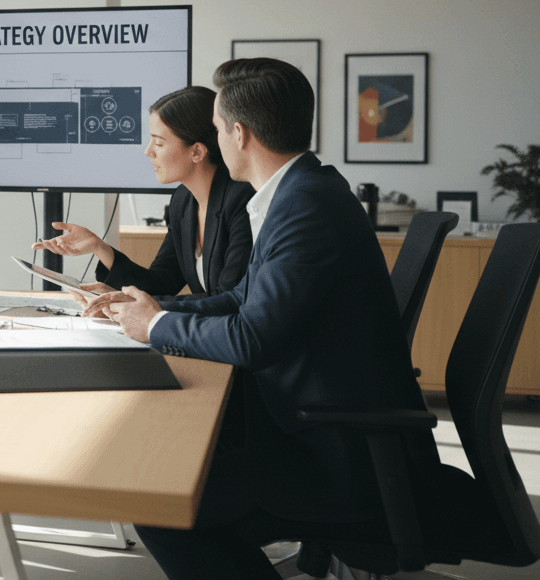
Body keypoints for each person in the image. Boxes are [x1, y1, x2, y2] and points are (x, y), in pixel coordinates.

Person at [105, 58, 440, 580]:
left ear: (240, 133)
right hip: (317, 426)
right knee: (174, 473)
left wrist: (155, 328)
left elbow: (251, 337)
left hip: (333, 458)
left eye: (216, 130)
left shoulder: (306, 207)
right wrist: (155, 310)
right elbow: (243, 297)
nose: (215, 141)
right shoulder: (303, 193)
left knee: (159, 500)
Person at [32, 86, 253, 318]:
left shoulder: (242, 200)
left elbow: (229, 297)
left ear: (197, 151)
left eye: (158, 143)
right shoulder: (183, 201)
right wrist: (99, 247)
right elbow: (160, 283)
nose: (148, 151)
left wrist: (132, 303)